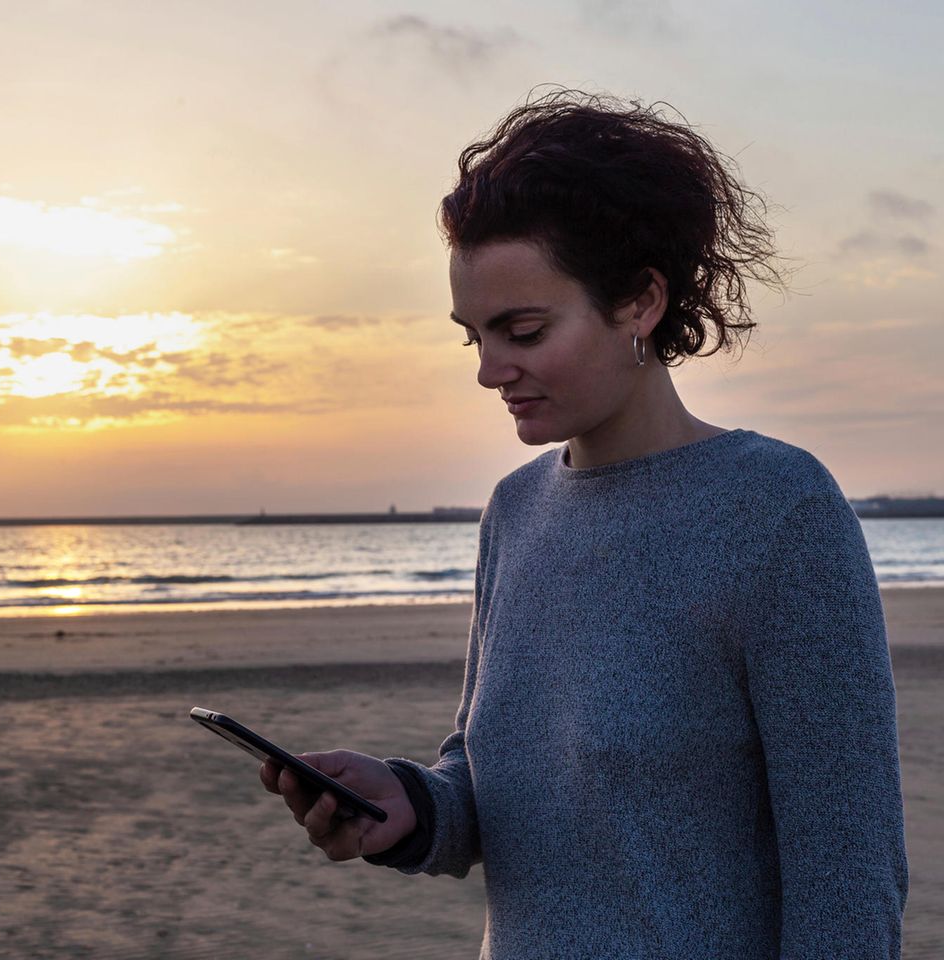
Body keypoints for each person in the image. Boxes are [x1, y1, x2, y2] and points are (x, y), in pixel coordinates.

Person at [260, 88, 908, 959]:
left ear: (640, 301)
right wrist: (411, 806)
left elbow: (849, 883)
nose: (491, 370)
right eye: (473, 337)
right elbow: (501, 794)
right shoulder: (515, 512)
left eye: (523, 330)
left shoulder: (778, 511)